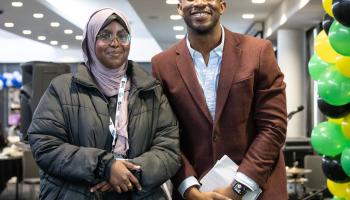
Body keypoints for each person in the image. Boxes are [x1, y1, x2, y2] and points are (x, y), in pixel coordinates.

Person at [28, 8, 180, 200]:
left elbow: (169, 149)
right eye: (105, 35)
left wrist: (128, 174)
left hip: (138, 193)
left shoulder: (151, 90)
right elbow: (44, 144)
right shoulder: (63, 89)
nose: (115, 43)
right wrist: (104, 167)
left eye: (122, 36)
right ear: (90, 41)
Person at [151, 0, 288, 199]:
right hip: (197, 191)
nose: (199, 2)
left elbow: (273, 126)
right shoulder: (162, 64)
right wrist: (189, 190)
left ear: (222, 5)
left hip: (258, 189)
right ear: (179, 7)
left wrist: (238, 188)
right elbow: (165, 135)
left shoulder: (258, 51)